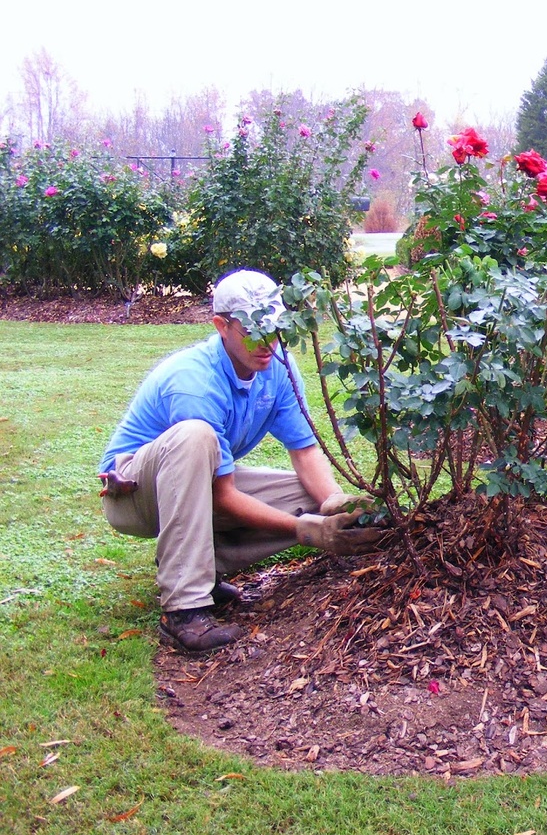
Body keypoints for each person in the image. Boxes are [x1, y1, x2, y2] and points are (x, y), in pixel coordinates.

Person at [98, 269, 380, 654]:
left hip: (196, 483)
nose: (267, 341)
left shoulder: (278, 367)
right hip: (134, 495)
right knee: (195, 435)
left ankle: (204, 566)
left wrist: (335, 505)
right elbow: (223, 495)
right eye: (253, 329)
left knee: (310, 496)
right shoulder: (194, 381)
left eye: (275, 327)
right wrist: (310, 531)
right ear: (221, 326)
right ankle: (184, 611)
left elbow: (304, 451)